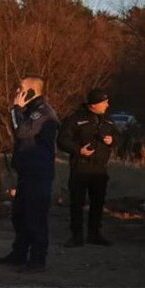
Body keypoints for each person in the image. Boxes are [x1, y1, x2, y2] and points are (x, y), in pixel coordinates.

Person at [0, 76, 59, 272]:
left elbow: (22, 132)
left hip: (38, 174)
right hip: (27, 172)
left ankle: (37, 260)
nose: (17, 92)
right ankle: (19, 254)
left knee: (35, 218)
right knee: (20, 216)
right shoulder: (31, 111)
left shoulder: (42, 113)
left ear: (30, 92)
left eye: (21, 89)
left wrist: (15, 109)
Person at [57, 88, 118, 247]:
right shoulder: (75, 119)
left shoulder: (108, 120)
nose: (107, 105)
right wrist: (78, 150)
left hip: (100, 169)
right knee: (77, 203)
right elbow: (62, 140)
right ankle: (76, 236)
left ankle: (95, 234)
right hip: (81, 167)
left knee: (98, 203)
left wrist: (112, 140)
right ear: (93, 105)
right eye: (104, 102)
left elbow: (118, 137)